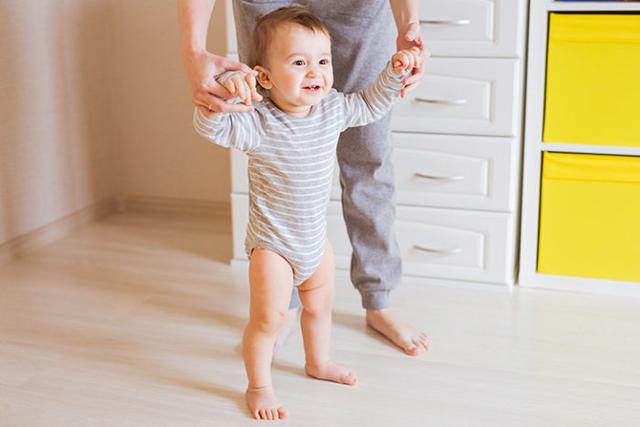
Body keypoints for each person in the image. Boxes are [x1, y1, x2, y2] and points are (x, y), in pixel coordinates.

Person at [192, 7, 422, 420]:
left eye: (322, 61)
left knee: (320, 310)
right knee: (267, 322)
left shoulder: (332, 109)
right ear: (263, 77)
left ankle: (318, 363)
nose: (314, 72)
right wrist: (219, 97)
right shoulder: (256, 121)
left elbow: (370, 105)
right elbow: (211, 128)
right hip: (273, 249)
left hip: (316, 243)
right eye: (299, 63)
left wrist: (394, 71)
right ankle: (259, 385)